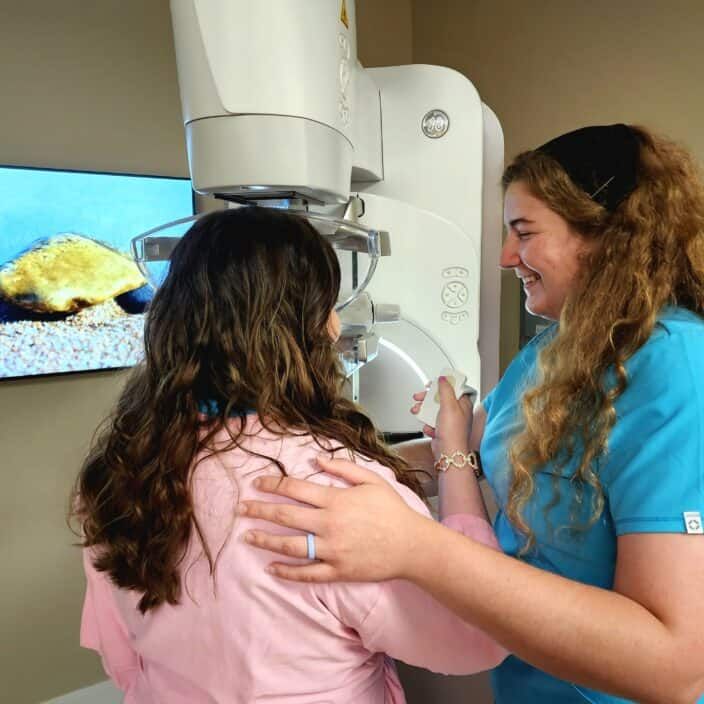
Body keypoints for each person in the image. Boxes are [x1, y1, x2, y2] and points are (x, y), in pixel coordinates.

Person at [239, 124, 704, 704]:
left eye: (524, 233)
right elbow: (482, 465)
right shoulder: (550, 352)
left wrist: (414, 545)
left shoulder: (675, 367)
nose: (507, 257)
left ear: (609, 238)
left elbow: (675, 668)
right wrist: (306, 462)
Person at [71, 206, 506, 704]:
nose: (336, 324)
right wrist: (455, 462)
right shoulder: (340, 492)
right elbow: (476, 638)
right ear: (299, 330)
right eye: (327, 304)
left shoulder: (122, 469)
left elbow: (123, 659)